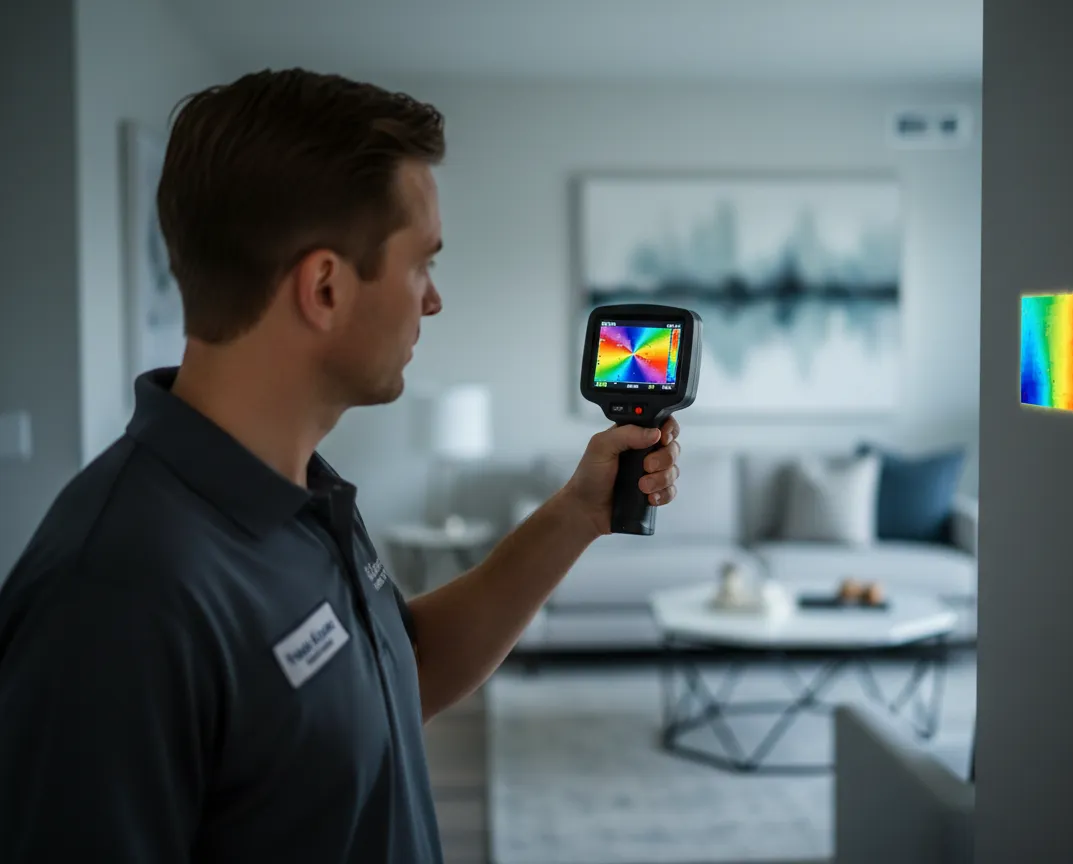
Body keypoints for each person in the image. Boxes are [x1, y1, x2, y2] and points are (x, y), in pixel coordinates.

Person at [0, 68, 681, 864]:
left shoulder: (303, 491)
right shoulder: (114, 598)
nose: (433, 300)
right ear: (325, 286)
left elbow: (400, 672)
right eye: (421, 264)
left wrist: (576, 514)